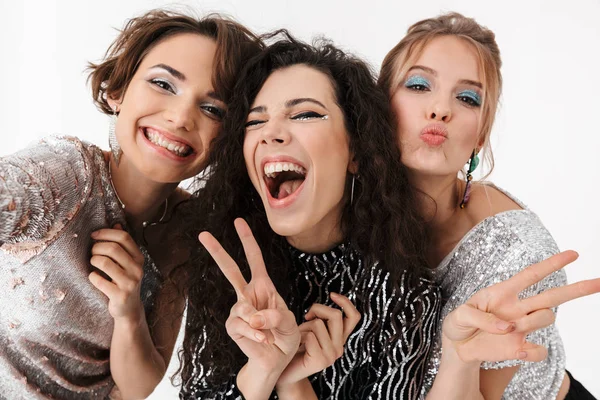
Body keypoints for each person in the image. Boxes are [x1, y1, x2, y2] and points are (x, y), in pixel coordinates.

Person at [0, 9, 262, 399]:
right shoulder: (58, 175)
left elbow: (135, 387)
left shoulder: (188, 230)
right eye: (163, 84)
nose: (180, 117)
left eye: (213, 109)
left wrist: (129, 311)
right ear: (117, 90)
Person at [176, 32, 441, 399]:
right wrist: (264, 371)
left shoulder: (404, 298)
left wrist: (292, 381)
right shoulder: (226, 270)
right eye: (255, 121)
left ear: (357, 153)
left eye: (304, 114)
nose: (271, 132)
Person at [379, 12, 598, 399]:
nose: (439, 109)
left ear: (480, 133)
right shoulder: (349, 201)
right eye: (418, 85)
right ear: (380, 104)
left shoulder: (519, 256)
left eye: (466, 98)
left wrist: (459, 358)